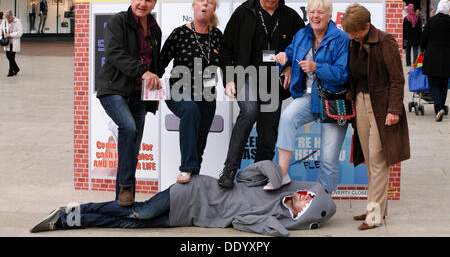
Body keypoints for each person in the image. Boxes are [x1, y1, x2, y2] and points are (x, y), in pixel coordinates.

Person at [30, 161, 336, 237]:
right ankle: (79, 209)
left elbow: (244, 224)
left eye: (308, 201)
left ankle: (70, 221)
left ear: (305, 214)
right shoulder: (279, 186)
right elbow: (252, 171)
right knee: (139, 213)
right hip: (193, 191)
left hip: (188, 217)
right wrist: (276, 179)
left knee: (132, 225)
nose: (303, 195)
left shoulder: (274, 218)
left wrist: (282, 226)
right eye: (307, 192)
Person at [218, 0, 305, 188]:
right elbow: (226, 49)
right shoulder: (243, 13)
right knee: (249, 112)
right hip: (245, 76)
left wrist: (291, 67)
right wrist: (230, 78)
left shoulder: (290, 17)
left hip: (272, 82)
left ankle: (258, 175)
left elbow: (303, 48)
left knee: (269, 131)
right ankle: (229, 170)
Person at [270, 0, 350, 193]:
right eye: (312, 12)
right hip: (308, 98)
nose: (315, 16)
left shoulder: (342, 39)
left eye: (320, 12)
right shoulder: (302, 34)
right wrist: (284, 58)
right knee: (287, 117)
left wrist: (317, 67)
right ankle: (283, 173)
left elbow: (343, 75)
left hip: (334, 100)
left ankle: (324, 198)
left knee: (329, 158)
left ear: (330, 16)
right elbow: (290, 51)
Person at [341, 3, 410, 230]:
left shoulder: (385, 42)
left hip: (381, 106)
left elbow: (397, 79)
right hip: (360, 102)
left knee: (379, 160)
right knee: (371, 160)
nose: (352, 36)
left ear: (367, 26)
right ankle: (378, 206)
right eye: (349, 32)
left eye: (355, 32)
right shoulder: (354, 42)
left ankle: (374, 214)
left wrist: (394, 110)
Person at [96, 0, 162, 207]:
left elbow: (155, 64)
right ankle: (126, 187)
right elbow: (115, 53)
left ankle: (122, 201)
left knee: (132, 148)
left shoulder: (155, 29)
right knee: (128, 128)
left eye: (149, 0)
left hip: (139, 95)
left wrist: (155, 93)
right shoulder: (118, 21)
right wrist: (142, 71)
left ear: (154, 2)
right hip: (113, 89)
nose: (143, 4)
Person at [157, 0, 223, 183]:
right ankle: (186, 168)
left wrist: (230, 82)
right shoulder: (180, 33)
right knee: (191, 109)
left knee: (199, 144)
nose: (205, 4)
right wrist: (149, 98)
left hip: (206, 95)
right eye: (201, 1)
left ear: (213, 9)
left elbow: (227, 65)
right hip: (179, 91)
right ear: (194, 6)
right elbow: (159, 64)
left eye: (209, 2)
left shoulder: (217, 36)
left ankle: (192, 181)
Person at [420, 0, 450, 122]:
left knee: (434, 84)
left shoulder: (432, 21)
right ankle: (441, 106)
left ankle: (439, 108)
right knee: (444, 84)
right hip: (448, 57)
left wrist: (423, 49)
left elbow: (424, 39)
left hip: (433, 57)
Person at [1, 10, 23, 77]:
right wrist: (1, 37)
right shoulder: (4, 21)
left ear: (11, 16)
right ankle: (16, 69)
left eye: (9, 18)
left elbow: (20, 33)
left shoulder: (17, 21)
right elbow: (0, 29)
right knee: (8, 56)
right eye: (7, 18)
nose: (8, 20)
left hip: (14, 42)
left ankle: (10, 71)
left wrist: (10, 34)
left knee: (11, 57)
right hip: (7, 42)